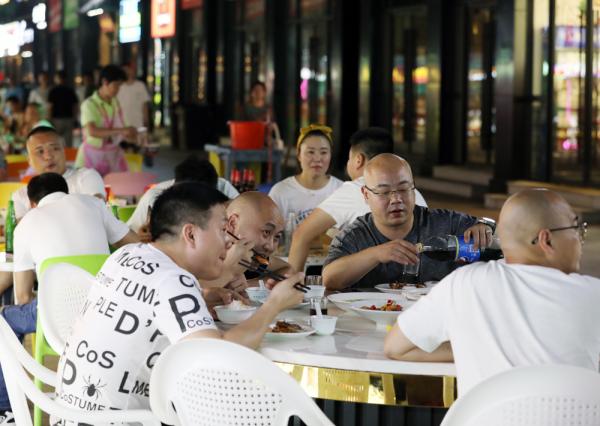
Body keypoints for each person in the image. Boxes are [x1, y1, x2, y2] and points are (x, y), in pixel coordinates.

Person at [55, 182, 305, 417]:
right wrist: (275, 304)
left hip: (69, 414)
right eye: (222, 230)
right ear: (191, 235)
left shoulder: (127, 254)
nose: (229, 240)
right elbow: (219, 356)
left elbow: (150, 308)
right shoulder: (174, 280)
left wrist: (202, 299)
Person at [384, 189, 598, 396]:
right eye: (576, 228)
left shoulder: (464, 284)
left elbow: (396, 347)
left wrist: (471, 344)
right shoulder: (593, 295)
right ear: (546, 240)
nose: (581, 239)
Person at [0, 173, 140, 423]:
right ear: (67, 191)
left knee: (5, 319)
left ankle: (6, 409)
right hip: (108, 309)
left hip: (59, 319)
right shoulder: (94, 205)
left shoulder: (26, 223)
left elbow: (22, 296)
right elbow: (135, 246)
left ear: (32, 203)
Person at [322, 154, 493, 289]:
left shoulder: (443, 222)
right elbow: (329, 279)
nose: (396, 199)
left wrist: (485, 226)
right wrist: (376, 254)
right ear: (366, 195)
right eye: (384, 192)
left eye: (403, 189)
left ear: (413, 189)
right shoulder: (356, 235)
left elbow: (497, 233)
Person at [288, 127, 427, 272]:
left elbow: (302, 233)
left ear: (358, 160)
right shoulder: (413, 192)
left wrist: (290, 284)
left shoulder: (356, 188)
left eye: (349, 159)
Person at [127, 155, 239, 238]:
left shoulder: (226, 191)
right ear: (176, 188)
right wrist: (140, 238)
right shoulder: (154, 198)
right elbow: (129, 236)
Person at [12, 124, 105, 220]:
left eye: (55, 148)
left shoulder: (87, 177)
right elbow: (21, 231)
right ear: (29, 161)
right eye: (40, 151)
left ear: (64, 152)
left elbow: (98, 213)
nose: (48, 156)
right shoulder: (21, 196)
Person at [268, 124, 343, 225]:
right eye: (310, 152)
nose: (317, 158)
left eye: (323, 152)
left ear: (330, 155)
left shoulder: (341, 191)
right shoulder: (280, 192)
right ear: (299, 155)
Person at [77, 64, 136, 176]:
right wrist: (121, 131)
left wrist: (132, 135)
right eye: (116, 85)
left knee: (116, 190)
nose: (118, 90)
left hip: (111, 155)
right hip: (91, 157)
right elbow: (92, 131)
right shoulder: (89, 104)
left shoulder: (115, 103)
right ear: (105, 82)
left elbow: (123, 127)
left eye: (120, 86)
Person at [47, 71, 79, 147]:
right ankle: (68, 157)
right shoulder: (70, 90)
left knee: (55, 142)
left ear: (56, 79)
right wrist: (74, 118)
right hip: (68, 119)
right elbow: (75, 106)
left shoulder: (53, 91)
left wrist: (49, 119)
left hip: (56, 119)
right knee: (68, 143)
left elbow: (50, 107)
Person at [117, 62, 151, 132]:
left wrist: (146, 120)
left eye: (128, 70)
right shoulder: (118, 87)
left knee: (140, 141)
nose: (127, 72)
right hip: (122, 125)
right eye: (124, 70)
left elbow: (144, 105)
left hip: (138, 123)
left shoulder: (140, 86)